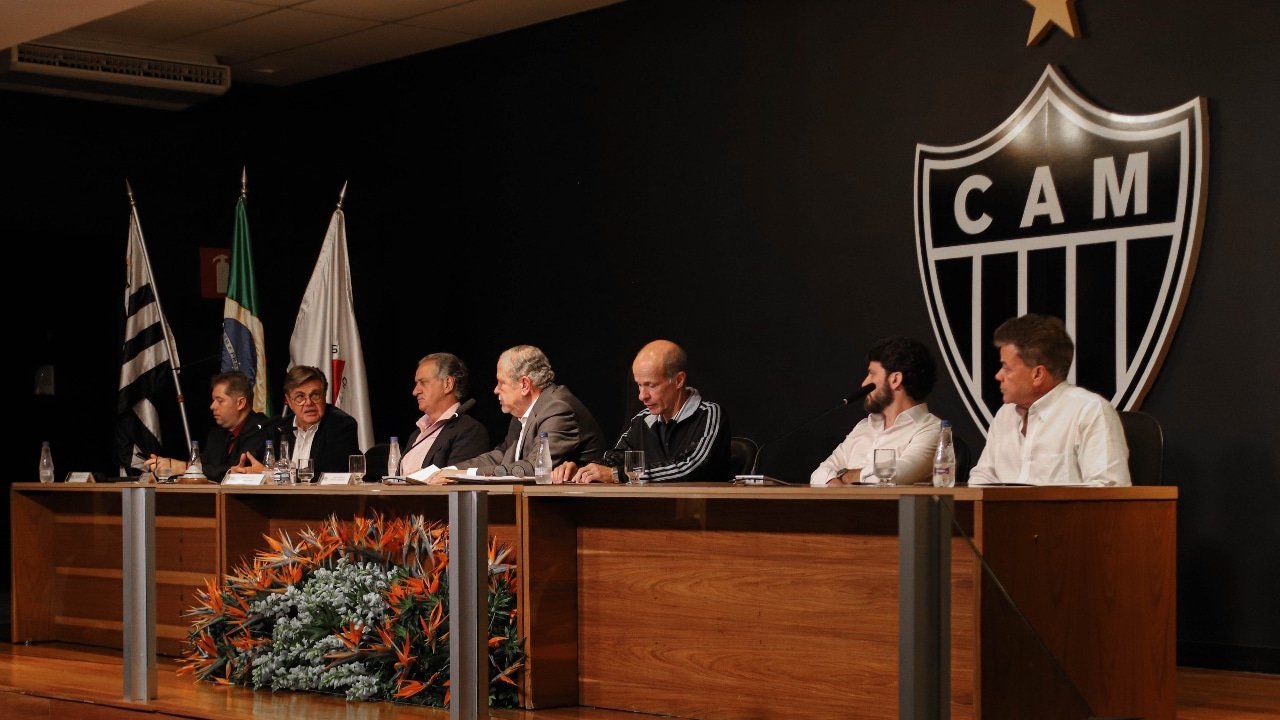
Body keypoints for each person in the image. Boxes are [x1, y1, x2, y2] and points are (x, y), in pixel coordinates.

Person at [968, 314, 1131, 486]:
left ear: (1038, 374)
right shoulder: (1005, 415)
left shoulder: (1089, 411)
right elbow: (982, 480)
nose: (998, 375)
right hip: (1004, 513)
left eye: (1007, 368)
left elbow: (1110, 491)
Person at [554, 339, 730, 484]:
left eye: (650, 385)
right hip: (650, 516)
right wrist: (583, 470)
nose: (641, 396)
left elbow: (691, 468)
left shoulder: (709, 415)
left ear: (678, 380)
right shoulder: (642, 420)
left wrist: (619, 475)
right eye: (639, 385)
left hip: (701, 519)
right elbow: (614, 459)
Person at [432, 345, 606, 481]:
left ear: (524, 384)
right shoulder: (522, 414)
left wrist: (466, 474)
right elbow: (502, 456)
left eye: (501, 383)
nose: (495, 390)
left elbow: (536, 467)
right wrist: (451, 471)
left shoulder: (557, 408)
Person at [810, 336, 942, 485]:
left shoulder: (931, 429)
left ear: (895, 380)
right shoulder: (863, 427)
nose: (864, 383)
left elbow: (896, 474)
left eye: (872, 374)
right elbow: (819, 474)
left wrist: (844, 476)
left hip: (893, 509)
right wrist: (837, 483)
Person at [228, 365, 360, 475]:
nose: (308, 403)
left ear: (324, 395)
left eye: (315, 395)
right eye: (300, 397)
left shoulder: (341, 425)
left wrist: (270, 475)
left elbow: (328, 474)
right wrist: (242, 471)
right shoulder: (278, 428)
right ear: (289, 401)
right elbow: (255, 464)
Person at [142, 371, 272, 483]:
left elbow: (238, 472)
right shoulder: (216, 434)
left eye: (219, 401)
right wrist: (167, 465)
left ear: (240, 403)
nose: (212, 406)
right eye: (213, 400)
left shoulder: (261, 429)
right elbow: (202, 468)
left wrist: (183, 467)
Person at [399, 353, 491, 474]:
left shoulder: (470, 431)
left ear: (447, 384)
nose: (415, 391)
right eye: (416, 383)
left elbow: (456, 484)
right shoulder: (417, 434)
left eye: (423, 382)